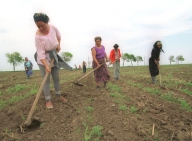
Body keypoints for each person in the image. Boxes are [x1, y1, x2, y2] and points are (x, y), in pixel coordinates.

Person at [34, 13, 67, 108]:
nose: (40, 28)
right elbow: (40, 53)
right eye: (38, 26)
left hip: (53, 56)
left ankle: (58, 95)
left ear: (47, 22)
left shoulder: (53, 28)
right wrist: (46, 65)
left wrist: (58, 45)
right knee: (46, 80)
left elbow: (58, 36)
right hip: (43, 59)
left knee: (56, 78)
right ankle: (48, 100)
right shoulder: (38, 37)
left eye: (42, 25)